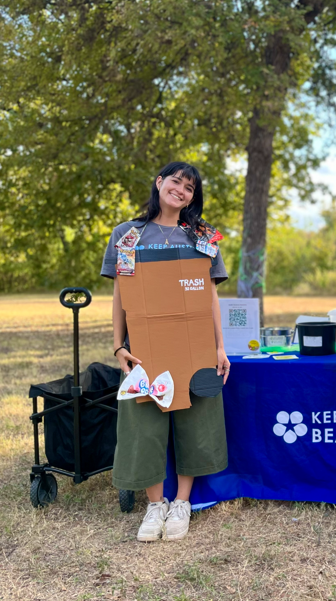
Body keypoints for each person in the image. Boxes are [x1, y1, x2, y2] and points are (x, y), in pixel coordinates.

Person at [101, 161, 231, 542]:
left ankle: (182, 503)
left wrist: (220, 346)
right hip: (144, 350)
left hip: (195, 348)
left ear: (193, 197)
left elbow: (211, 294)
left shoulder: (202, 236)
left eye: (190, 187)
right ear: (159, 182)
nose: (182, 190)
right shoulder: (128, 235)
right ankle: (155, 505)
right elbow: (119, 295)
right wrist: (118, 346)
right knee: (145, 425)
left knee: (194, 421)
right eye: (176, 181)